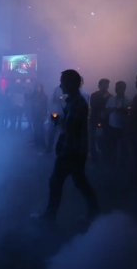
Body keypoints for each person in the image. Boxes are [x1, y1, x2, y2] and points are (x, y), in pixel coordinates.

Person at [31, 69, 100, 222]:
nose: (60, 84)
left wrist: (58, 121)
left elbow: (72, 128)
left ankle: (50, 215)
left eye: (62, 80)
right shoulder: (73, 101)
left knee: (57, 181)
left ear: (70, 83)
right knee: (79, 181)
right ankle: (94, 210)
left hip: (72, 150)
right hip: (74, 149)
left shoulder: (77, 103)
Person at [103, 81, 131, 166]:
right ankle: (112, 163)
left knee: (124, 146)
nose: (117, 89)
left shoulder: (128, 100)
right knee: (112, 146)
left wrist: (122, 110)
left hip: (124, 128)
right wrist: (114, 109)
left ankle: (123, 164)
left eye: (119, 87)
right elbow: (106, 111)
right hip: (112, 127)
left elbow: (130, 112)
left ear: (124, 88)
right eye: (116, 87)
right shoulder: (111, 99)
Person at [89, 79, 112, 163]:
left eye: (106, 85)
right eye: (103, 85)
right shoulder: (94, 95)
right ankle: (94, 158)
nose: (105, 87)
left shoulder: (110, 97)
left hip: (105, 122)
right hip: (94, 120)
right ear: (99, 86)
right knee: (92, 139)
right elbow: (93, 106)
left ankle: (104, 158)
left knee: (104, 140)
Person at [30, 83, 48, 148]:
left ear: (41, 88)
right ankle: (36, 142)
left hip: (41, 114)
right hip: (35, 114)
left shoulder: (44, 96)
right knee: (35, 129)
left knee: (41, 129)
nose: (37, 88)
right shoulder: (33, 95)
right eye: (36, 87)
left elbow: (45, 106)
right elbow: (31, 106)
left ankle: (42, 142)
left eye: (38, 87)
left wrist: (45, 114)